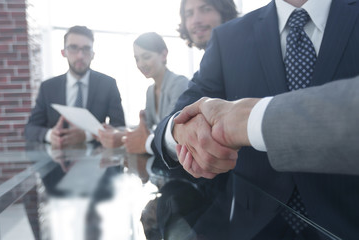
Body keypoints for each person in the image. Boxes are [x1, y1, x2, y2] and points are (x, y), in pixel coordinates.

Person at [154, 0, 359, 239]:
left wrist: (247, 120)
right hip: (253, 226)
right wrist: (182, 131)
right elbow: (179, 115)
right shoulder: (228, 37)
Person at [175, 75, 359, 175]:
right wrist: (180, 129)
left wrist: (243, 120)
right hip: (253, 218)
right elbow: (182, 111)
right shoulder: (227, 36)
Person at [24, 26, 125, 148]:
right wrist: (51, 135)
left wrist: (87, 136)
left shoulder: (108, 84)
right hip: (58, 160)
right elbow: (30, 129)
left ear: (93, 54)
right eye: (73, 48)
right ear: (63, 52)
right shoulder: (48, 87)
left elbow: (120, 127)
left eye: (86, 49)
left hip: (97, 161)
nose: (80, 56)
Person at [98, 32, 189, 154]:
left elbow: (169, 129)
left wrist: (123, 136)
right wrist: (116, 131)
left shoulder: (179, 83)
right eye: (137, 59)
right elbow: (146, 128)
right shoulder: (150, 91)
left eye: (146, 57)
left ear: (163, 54)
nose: (140, 64)